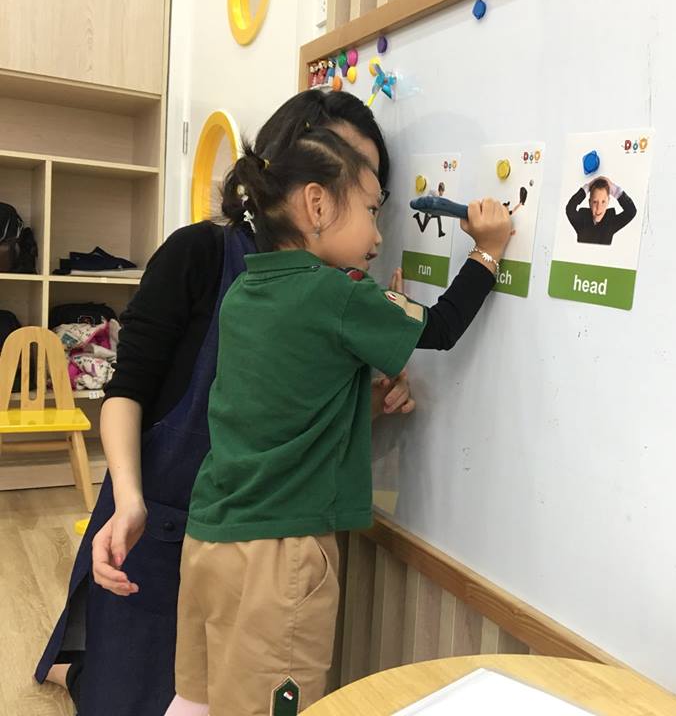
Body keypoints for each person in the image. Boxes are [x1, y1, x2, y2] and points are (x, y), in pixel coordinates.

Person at [35, 90, 415, 716]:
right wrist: (128, 500)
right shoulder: (201, 251)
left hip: (264, 543)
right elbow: (126, 390)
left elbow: (286, 412)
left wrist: (364, 401)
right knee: (130, 694)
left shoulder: (336, 287)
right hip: (160, 519)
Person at [163, 127, 511, 716]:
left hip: (209, 540)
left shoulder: (246, 290)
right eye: (372, 211)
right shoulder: (338, 295)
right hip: (279, 553)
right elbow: (442, 327)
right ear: (317, 204)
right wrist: (488, 250)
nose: (379, 236)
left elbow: (285, 401)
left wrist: (362, 397)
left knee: (197, 700)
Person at [565, 176, 637, 245]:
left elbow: (631, 211)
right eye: (595, 202)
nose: (599, 208)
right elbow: (570, 208)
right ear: (589, 202)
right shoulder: (582, 219)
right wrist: (588, 186)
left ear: (608, 201)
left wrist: (615, 190)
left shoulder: (610, 221)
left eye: (603, 202)